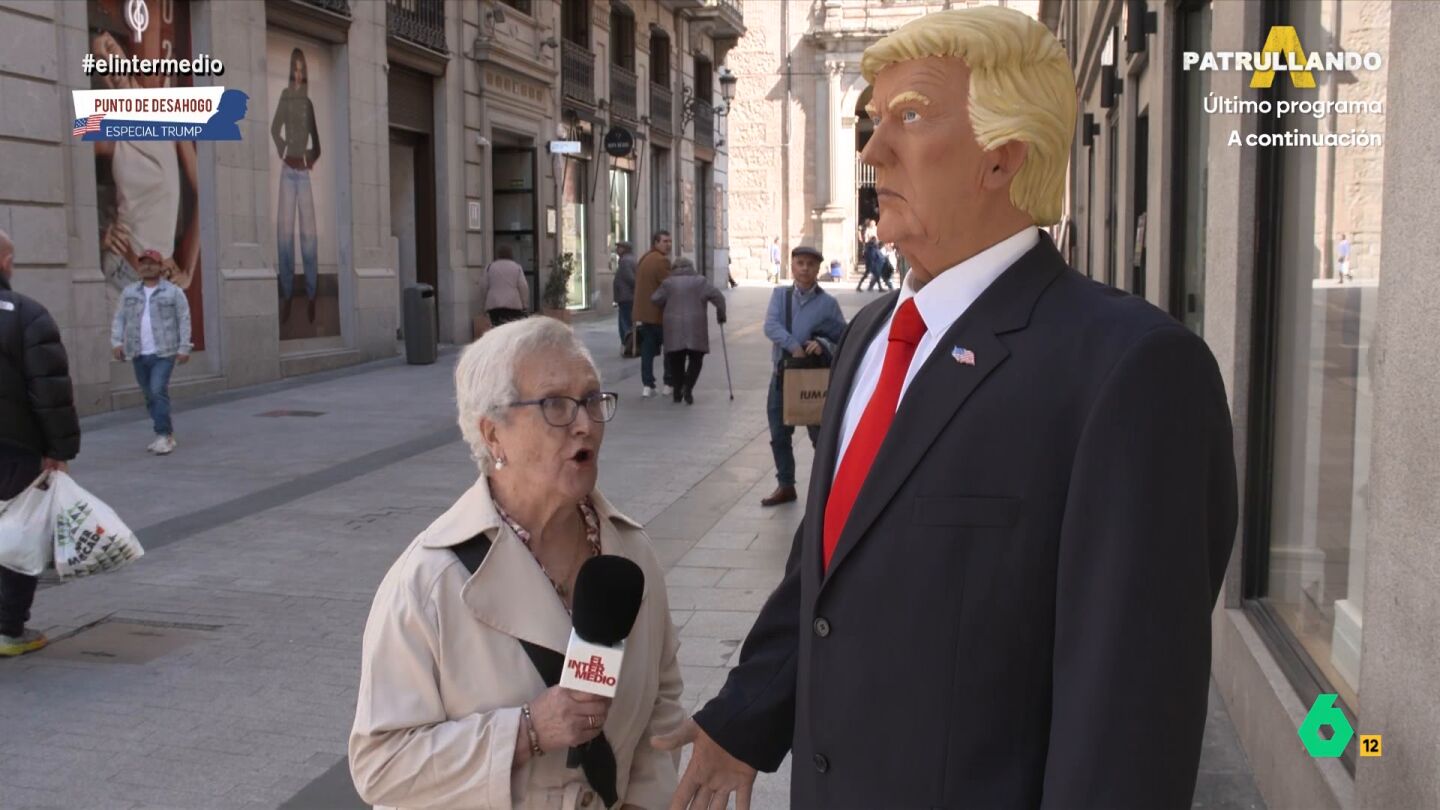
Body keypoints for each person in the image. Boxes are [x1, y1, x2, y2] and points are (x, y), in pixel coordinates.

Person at [658, 8, 1238, 808]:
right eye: (873, 120)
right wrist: (748, 716)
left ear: (1003, 157)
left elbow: (1126, 724)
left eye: (910, 117)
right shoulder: (870, 335)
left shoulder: (1132, 371)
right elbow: (832, 566)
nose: (871, 151)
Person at [350, 317, 684, 809]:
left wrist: (641, 802)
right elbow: (380, 765)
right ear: (493, 435)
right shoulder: (428, 582)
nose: (584, 424)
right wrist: (525, 731)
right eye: (555, 404)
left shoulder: (631, 552)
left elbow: (662, 702)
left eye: (591, 399)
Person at [0, 229, 80, 657]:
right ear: (6, 262)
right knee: (19, 533)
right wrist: (59, 450)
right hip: (16, 449)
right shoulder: (27, 315)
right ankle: (8, 629)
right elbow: (49, 390)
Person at [757, 246, 845, 507]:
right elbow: (771, 326)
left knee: (820, 437)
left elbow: (843, 337)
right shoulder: (780, 296)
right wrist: (794, 346)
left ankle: (826, 488)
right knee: (779, 434)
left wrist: (823, 345)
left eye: (810, 264)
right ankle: (786, 485)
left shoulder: (828, 304)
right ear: (792, 265)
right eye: (800, 263)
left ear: (818, 269)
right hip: (782, 376)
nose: (805, 268)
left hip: (813, 379)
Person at [111, 249, 192, 456]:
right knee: (149, 396)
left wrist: (184, 347)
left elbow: (184, 319)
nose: (147, 267)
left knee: (157, 391)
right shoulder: (129, 292)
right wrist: (116, 342)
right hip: (138, 352)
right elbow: (119, 318)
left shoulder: (173, 292)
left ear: (161, 267)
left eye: (152, 263)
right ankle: (165, 433)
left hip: (164, 352)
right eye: (143, 263)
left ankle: (163, 434)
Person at [272, 47, 322, 324]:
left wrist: (308, 159)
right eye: (295, 70)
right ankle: (287, 295)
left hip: (302, 174)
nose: (299, 75)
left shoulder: (308, 103)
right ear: (291, 71)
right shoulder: (285, 97)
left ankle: (312, 296)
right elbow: (274, 129)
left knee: (309, 237)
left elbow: (317, 143)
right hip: (287, 172)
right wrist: (284, 151)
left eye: (302, 71)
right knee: (284, 236)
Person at [651, 256, 727, 405]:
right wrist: (721, 315)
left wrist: (667, 302)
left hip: (674, 327)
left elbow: (655, 298)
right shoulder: (700, 281)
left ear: (674, 268)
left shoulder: (668, 283)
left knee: (676, 360)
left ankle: (677, 393)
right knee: (696, 358)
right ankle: (688, 386)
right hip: (696, 325)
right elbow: (719, 297)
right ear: (691, 267)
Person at [630, 231, 674, 398]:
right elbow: (669, 286)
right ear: (656, 243)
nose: (668, 245)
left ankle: (647, 385)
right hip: (659, 314)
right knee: (669, 350)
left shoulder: (644, 258)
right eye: (664, 241)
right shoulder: (662, 261)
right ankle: (668, 383)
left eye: (670, 241)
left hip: (645, 314)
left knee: (647, 351)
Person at [485, 244, 531, 329]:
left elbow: (483, 286)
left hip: (494, 305)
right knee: (511, 330)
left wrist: (484, 303)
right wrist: (525, 305)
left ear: (498, 254)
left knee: (496, 328)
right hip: (513, 304)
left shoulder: (490, 267)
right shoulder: (516, 267)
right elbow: (523, 286)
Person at [612, 241, 637, 353]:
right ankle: (630, 344)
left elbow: (630, 278)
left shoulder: (625, 261)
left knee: (625, 323)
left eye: (619, 247)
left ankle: (628, 344)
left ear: (625, 249)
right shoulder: (630, 259)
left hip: (626, 296)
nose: (617, 249)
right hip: (628, 295)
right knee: (627, 320)